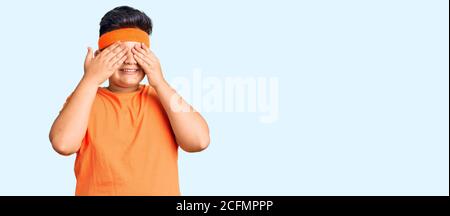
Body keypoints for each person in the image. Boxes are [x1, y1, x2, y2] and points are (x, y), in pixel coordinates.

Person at [49, 6, 210, 196]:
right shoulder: (85, 99)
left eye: (138, 52)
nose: (130, 61)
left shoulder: (163, 98)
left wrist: (159, 82)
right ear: (99, 58)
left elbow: (199, 141)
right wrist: (90, 79)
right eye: (119, 53)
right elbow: (63, 144)